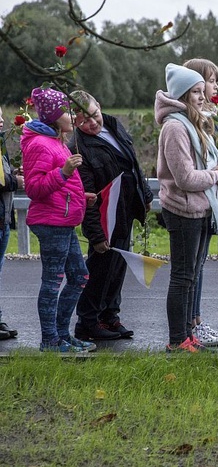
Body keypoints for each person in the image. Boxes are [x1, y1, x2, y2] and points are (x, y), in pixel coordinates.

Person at [155, 63, 218, 353]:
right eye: (196, 91)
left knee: (190, 277)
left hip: (200, 208)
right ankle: (177, 340)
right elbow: (185, 178)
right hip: (184, 210)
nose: (202, 97)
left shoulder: (192, 122)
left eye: (203, 90)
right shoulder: (175, 127)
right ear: (183, 94)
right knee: (182, 277)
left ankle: (188, 335)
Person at [68, 90, 153, 341]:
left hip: (126, 209)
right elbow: (87, 194)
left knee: (117, 268)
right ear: (74, 122)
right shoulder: (78, 147)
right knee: (100, 269)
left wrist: (145, 195)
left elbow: (133, 164)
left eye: (94, 115)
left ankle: (109, 317)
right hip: (105, 217)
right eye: (83, 121)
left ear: (99, 105)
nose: (92, 123)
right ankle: (88, 322)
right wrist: (95, 234)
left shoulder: (114, 125)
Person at [21, 87, 97, 353]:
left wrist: (81, 194)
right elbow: (34, 188)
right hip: (51, 223)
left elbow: (58, 185)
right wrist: (64, 172)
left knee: (79, 276)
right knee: (53, 282)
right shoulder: (40, 144)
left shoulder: (56, 140)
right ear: (54, 116)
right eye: (67, 111)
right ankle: (50, 341)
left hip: (62, 220)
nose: (73, 116)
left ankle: (62, 336)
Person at [183, 58, 218, 347]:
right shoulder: (189, 121)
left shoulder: (208, 115)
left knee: (198, 266)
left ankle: (197, 320)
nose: (215, 86)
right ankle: (192, 324)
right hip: (196, 199)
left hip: (209, 194)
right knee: (191, 269)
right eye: (210, 80)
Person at [0, 108, 22, 340]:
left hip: (3, 216)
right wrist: (15, 180)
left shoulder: (0, 143)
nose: (1, 120)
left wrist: (13, 173)